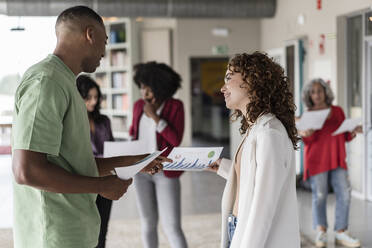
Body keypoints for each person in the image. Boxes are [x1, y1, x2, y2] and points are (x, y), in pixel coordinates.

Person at [11, 6, 168, 248]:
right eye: (104, 42)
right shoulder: (47, 82)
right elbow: (27, 171)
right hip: (53, 236)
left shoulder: (65, 82)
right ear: (90, 34)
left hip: (74, 229)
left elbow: (75, 164)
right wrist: (102, 186)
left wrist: (136, 161)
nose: (104, 51)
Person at [208, 52, 300, 248]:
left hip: (252, 232)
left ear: (251, 80)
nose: (223, 88)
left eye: (229, 78)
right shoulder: (256, 128)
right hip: (238, 225)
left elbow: (263, 208)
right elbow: (254, 176)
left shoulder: (269, 133)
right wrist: (225, 167)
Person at [129, 61, 188, 248]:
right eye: (141, 88)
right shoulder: (138, 105)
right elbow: (134, 132)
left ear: (160, 87)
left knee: (172, 227)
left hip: (166, 170)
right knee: (148, 224)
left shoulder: (175, 106)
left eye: (148, 88)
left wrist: (155, 117)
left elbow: (175, 139)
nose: (144, 93)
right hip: (141, 171)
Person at [299, 78, 362, 248]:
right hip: (317, 160)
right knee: (319, 196)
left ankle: (341, 232)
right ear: (309, 95)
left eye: (320, 91)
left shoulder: (338, 111)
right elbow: (308, 141)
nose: (317, 95)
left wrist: (353, 131)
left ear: (326, 92)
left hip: (337, 158)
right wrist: (307, 133)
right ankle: (321, 231)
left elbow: (345, 135)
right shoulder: (307, 115)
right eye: (313, 92)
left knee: (345, 194)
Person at [76, 75, 114, 248]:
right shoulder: (72, 123)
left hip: (105, 178)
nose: (93, 102)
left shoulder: (104, 121)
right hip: (84, 180)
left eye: (96, 97)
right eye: (88, 97)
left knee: (102, 230)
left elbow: (112, 148)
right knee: (83, 231)